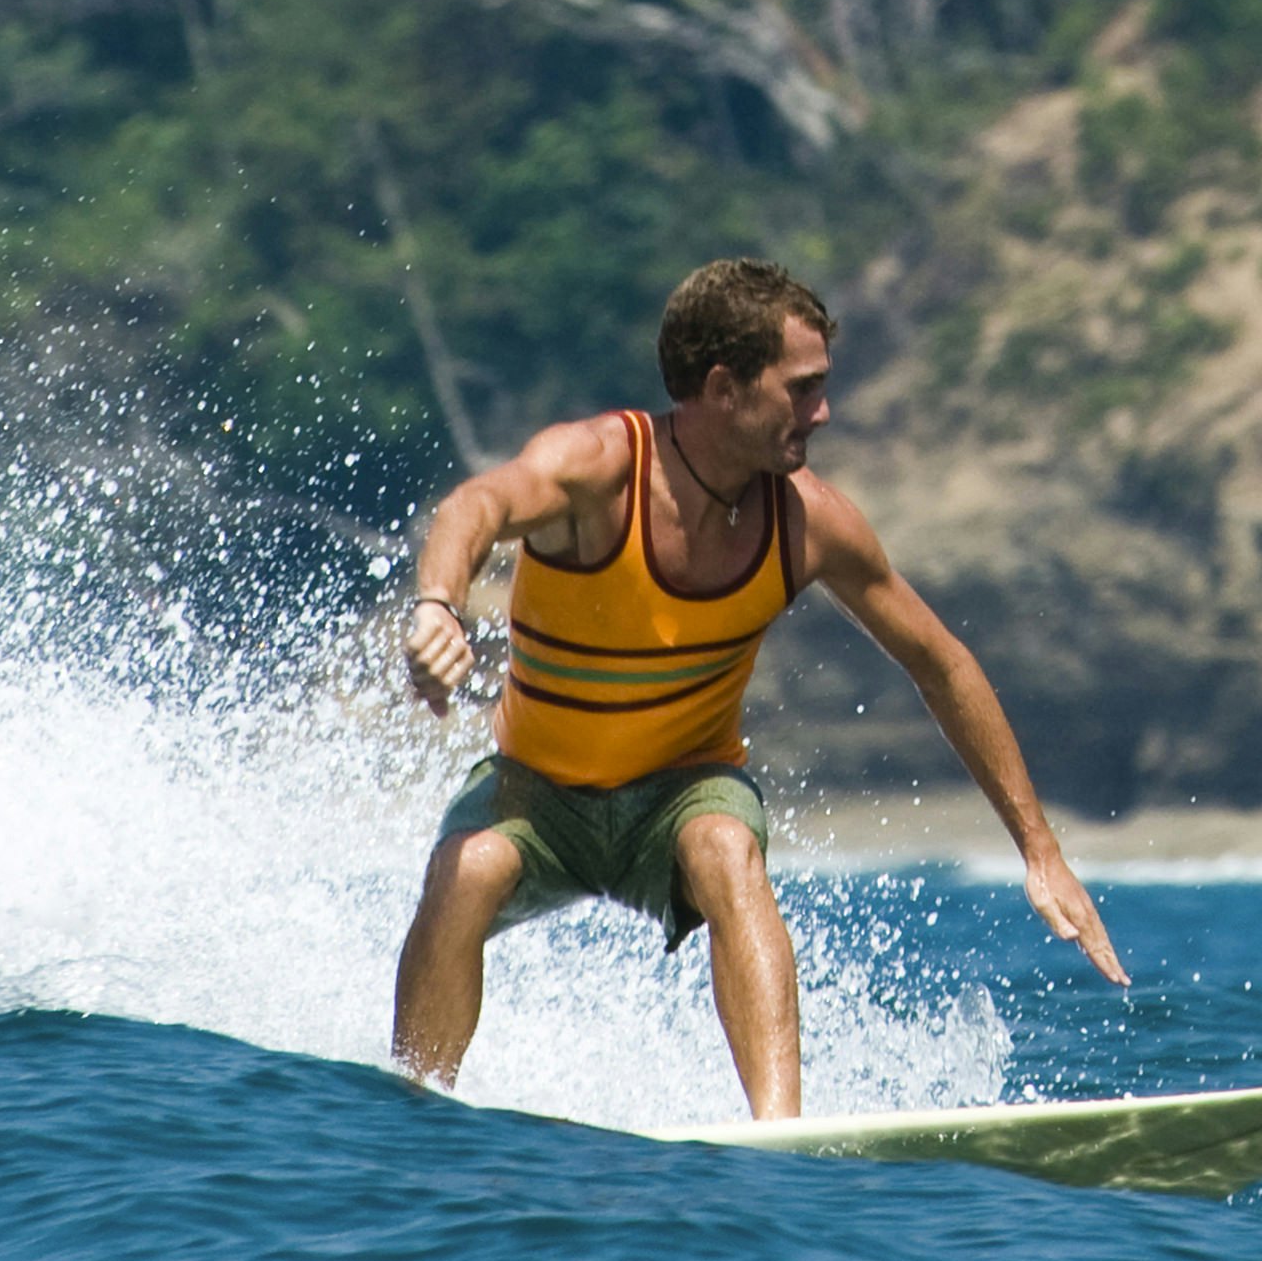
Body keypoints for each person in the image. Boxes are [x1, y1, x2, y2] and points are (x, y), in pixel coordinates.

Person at [385, 255, 1126, 1115]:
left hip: (681, 792)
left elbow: (941, 662)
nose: (823, 411)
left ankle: (780, 1134)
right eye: (802, 389)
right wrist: (438, 605)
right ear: (724, 388)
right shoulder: (596, 470)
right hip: (535, 792)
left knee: (726, 850)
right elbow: (472, 506)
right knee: (465, 870)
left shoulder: (808, 522)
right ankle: (416, 1113)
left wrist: (1040, 851)